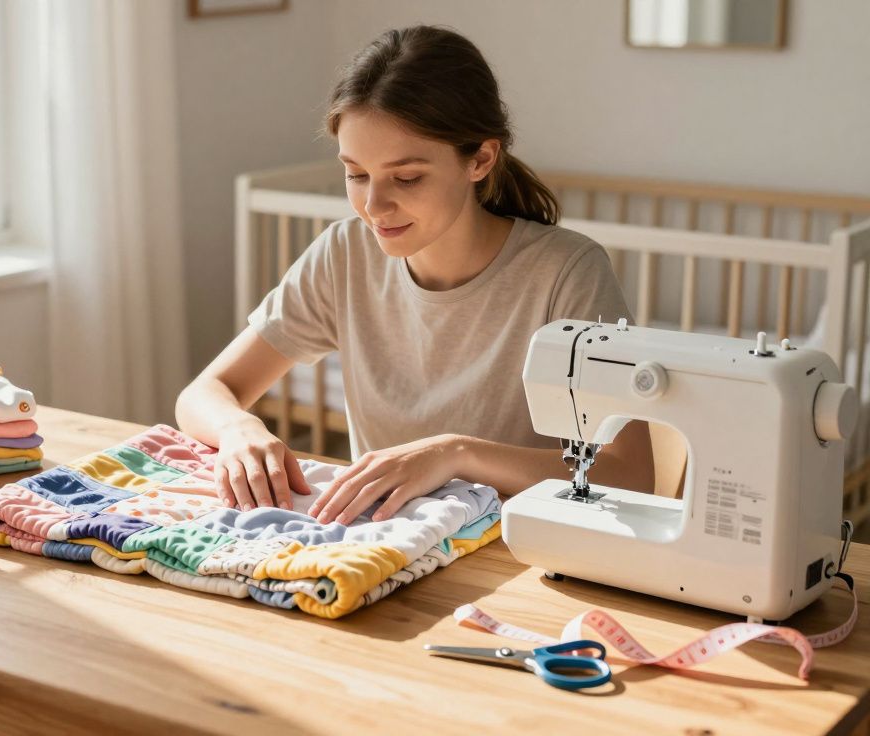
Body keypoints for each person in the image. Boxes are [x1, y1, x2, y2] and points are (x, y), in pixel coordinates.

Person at [175, 25, 654, 525]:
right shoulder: (343, 254)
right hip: (385, 546)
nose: (374, 206)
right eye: (356, 174)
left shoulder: (567, 272)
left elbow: (633, 475)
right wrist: (237, 428)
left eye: (406, 178)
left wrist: (456, 453)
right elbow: (204, 393)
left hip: (513, 550)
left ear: (480, 159)